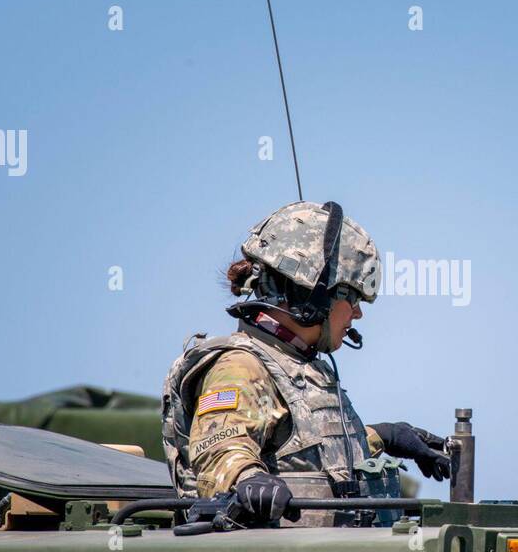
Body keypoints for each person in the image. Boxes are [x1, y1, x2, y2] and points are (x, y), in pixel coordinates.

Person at [161, 201, 451, 528]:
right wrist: (247, 479)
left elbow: (304, 456)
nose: (358, 314)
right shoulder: (240, 365)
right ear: (311, 296)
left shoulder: (298, 364)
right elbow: (221, 452)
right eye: (352, 298)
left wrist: (384, 436)